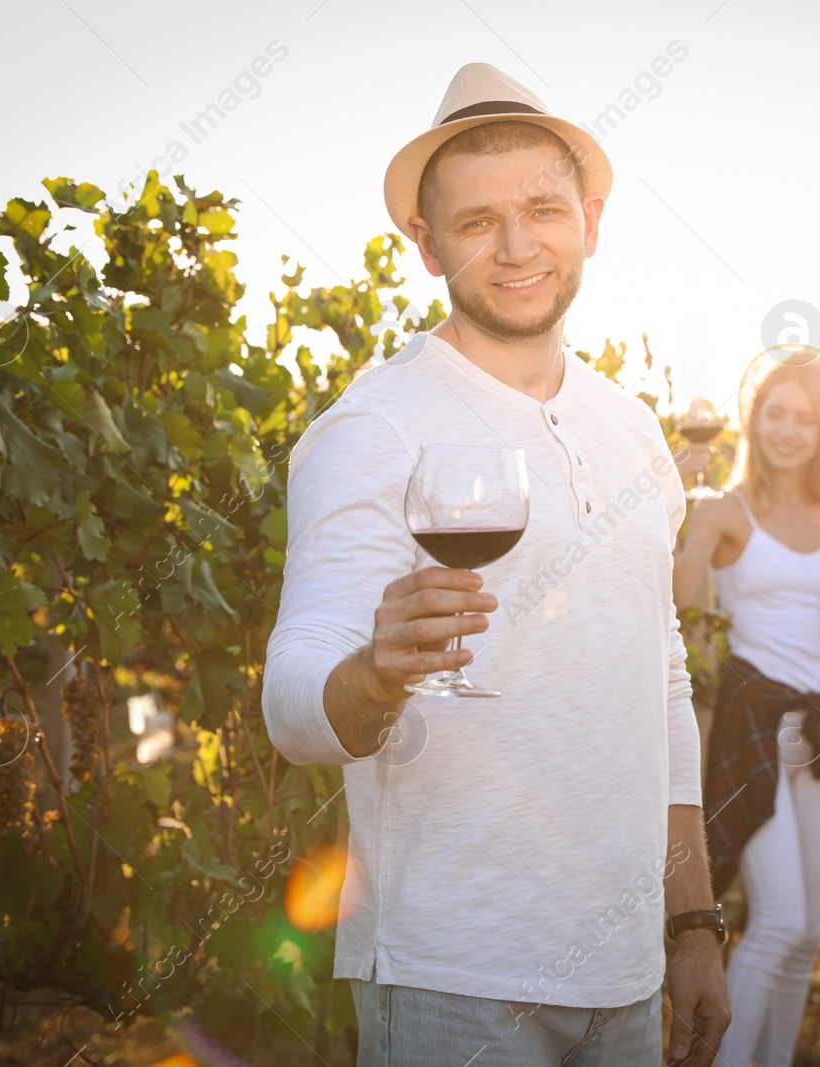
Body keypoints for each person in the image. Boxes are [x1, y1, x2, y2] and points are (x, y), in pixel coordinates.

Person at [260, 62, 729, 1067]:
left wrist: (692, 921)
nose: (517, 247)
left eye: (542, 209)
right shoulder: (371, 428)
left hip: (629, 975)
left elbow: (661, 678)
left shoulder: (636, 430)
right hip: (453, 981)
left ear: (591, 221)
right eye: (475, 223)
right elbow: (294, 700)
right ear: (425, 246)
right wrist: (375, 671)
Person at [673, 348, 820, 1067]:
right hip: (753, 720)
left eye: (805, 418)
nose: (788, 430)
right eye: (775, 413)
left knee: (808, 930)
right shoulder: (723, 509)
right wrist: (676, 495)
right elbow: (681, 607)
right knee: (778, 918)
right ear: (753, 420)